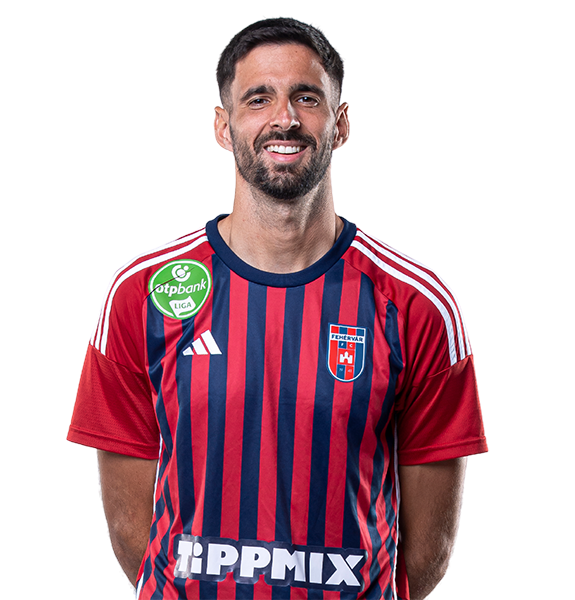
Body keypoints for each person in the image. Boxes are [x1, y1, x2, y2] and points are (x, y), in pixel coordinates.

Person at [67, 16, 488, 600]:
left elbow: (427, 550)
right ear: (224, 128)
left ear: (340, 125)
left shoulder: (417, 305)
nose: (284, 118)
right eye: (258, 98)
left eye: (307, 98)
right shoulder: (142, 293)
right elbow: (131, 533)